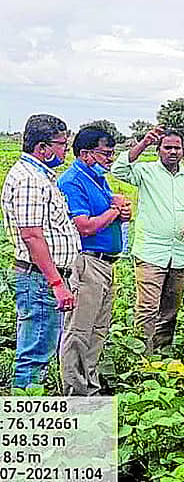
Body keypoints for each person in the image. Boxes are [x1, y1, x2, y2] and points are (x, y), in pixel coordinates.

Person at [111, 126, 184, 354]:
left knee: (171, 309)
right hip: (151, 252)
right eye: (168, 147)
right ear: (158, 150)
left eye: (177, 148)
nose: (173, 152)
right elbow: (119, 169)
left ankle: (162, 351)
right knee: (147, 307)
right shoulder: (145, 172)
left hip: (181, 254)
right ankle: (141, 355)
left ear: (183, 150)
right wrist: (142, 143)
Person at [1, 114, 80, 389]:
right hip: (40, 278)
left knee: (39, 348)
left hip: (42, 277)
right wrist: (56, 282)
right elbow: (32, 236)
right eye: (61, 143)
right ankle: (25, 420)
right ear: (42, 148)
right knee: (34, 354)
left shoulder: (41, 176)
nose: (65, 149)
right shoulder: (30, 181)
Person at [57, 126, 132, 395]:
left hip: (106, 263)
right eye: (106, 153)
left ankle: (90, 387)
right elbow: (85, 226)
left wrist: (121, 213)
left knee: (98, 329)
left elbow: (107, 216)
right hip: (87, 262)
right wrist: (114, 209)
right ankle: (75, 393)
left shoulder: (99, 179)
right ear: (86, 154)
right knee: (79, 330)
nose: (110, 159)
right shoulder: (72, 181)